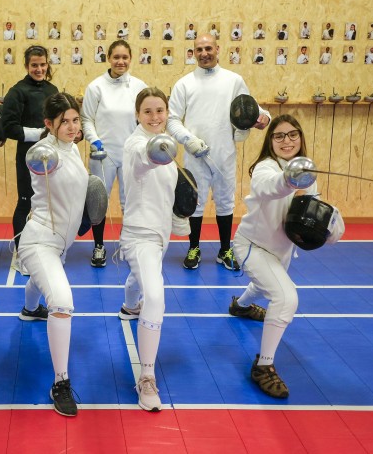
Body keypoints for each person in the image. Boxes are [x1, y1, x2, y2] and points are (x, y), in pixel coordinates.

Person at [230, 114, 341, 399]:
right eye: (279, 136)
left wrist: (333, 226)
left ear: (300, 137)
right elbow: (271, 186)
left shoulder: (307, 172)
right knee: (285, 297)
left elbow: (313, 209)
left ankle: (240, 306)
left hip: (282, 248)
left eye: (292, 134)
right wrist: (292, 178)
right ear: (270, 141)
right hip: (252, 245)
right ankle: (263, 366)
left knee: (263, 284)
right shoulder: (265, 168)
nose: (287, 140)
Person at [167, 33, 270, 271]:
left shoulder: (233, 80)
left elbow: (249, 106)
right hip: (196, 155)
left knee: (225, 203)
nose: (204, 53)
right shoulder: (184, 84)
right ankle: (194, 248)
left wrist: (264, 116)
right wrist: (189, 140)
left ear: (217, 49)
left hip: (224, 153)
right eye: (199, 49)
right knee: (196, 203)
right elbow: (172, 120)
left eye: (208, 48)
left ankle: (225, 250)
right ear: (193, 52)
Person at [18, 92, 88, 416]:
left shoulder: (72, 147)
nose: (72, 126)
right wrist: (41, 155)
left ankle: (30, 309)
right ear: (48, 124)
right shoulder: (46, 152)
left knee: (38, 281)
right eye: (65, 122)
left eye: (76, 120)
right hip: (40, 242)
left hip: (60, 244)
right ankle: (60, 381)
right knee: (61, 302)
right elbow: (40, 157)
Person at [119, 87, 177, 412]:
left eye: (160, 110)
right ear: (138, 115)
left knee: (140, 278)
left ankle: (129, 307)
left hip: (160, 233)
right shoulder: (137, 144)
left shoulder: (166, 139)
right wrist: (158, 151)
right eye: (148, 112)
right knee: (155, 295)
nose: (155, 117)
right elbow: (145, 158)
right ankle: (147, 377)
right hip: (140, 234)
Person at [82, 40, 148, 267]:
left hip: (131, 154)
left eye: (125, 57)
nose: (121, 61)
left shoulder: (140, 86)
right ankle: (99, 246)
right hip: (103, 154)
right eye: (116, 57)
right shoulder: (96, 87)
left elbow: (145, 118)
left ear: (130, 59)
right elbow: (86, 119)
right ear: (108, 58)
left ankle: (128, 244)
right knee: (98, 201)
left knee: (130, 202)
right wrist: (95, 140)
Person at [1, 46, 59, 273]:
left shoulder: (52, 89)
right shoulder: (17, 91)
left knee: (48, 203)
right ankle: (21, 254)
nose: (39, 69)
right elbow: (9, 127)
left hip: (51, 156)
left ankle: (46, 249)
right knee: (26, 202)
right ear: (27, 66)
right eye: (34, 65)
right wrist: (39, 133)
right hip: (28, 156)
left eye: (42, 64)